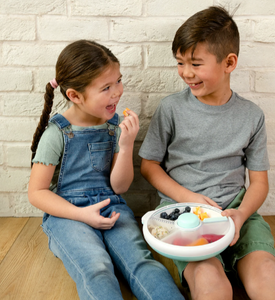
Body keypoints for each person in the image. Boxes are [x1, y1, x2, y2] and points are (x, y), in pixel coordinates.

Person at [139, 6, 275, 300]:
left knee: (269, 278)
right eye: (180, 63)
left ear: (229, 62)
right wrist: (189, 198)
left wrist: (240, 215)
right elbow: (149, 166)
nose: (186, 73)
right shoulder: (171, 109)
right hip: (183, 212)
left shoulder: (252, 116)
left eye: (196, 64)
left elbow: (259, 182)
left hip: (238, 211)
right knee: (212, 285)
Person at [28, 40, 185, 300]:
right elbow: (37, 193)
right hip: (67, 213)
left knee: (142, 263)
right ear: (75, 96)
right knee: (96, 268)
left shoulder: (114, 127)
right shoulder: (57, 134)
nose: (117, 92)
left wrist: (125, 146)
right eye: (106, 88)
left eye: (118, 81)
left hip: (111, 205)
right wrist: (81, 215)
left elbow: (120, 187)